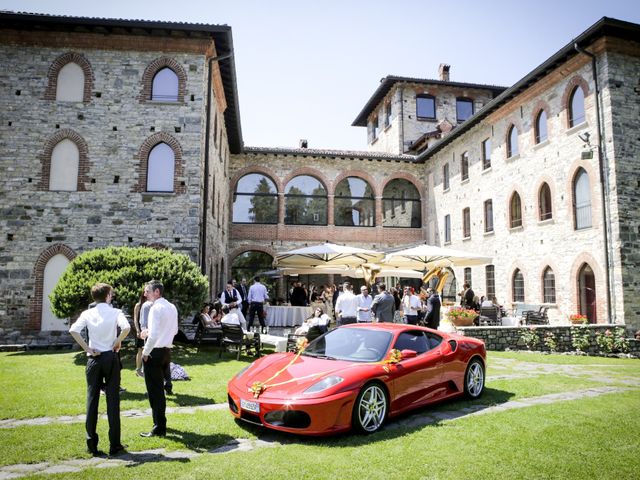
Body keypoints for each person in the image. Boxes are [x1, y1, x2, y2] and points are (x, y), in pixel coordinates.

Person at [68, 283, 130, 457]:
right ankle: (115, 445)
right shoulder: (115, 312)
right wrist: (117, 341)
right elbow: (126, 328)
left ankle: (92, 444)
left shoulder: (87, 313)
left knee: (92, 400)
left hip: (93, 359)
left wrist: (87, 349)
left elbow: (73, 330)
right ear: (108, 295)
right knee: (113, 401)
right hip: (110, 357)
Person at [140, 280, 178, 438]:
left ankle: (159, 427)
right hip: (166, 352)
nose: (145, 294)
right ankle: (160, 424)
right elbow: (174, 330)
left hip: (154, 353)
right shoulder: (172, 306)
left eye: (148, 291)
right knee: (159, 391)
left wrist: (145, 352)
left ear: (157, 292)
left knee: (155, 392)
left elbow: (155, 335)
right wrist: (149, 332)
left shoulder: (156, 308)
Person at [133, 287, 151, 378]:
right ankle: (138, 369)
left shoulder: (152, 304)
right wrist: (138, 330)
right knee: (140, 349)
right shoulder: (138, 305)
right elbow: (135, 319)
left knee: (147, 349)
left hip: (149, 330)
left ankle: (145, 369)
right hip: (141, 330)